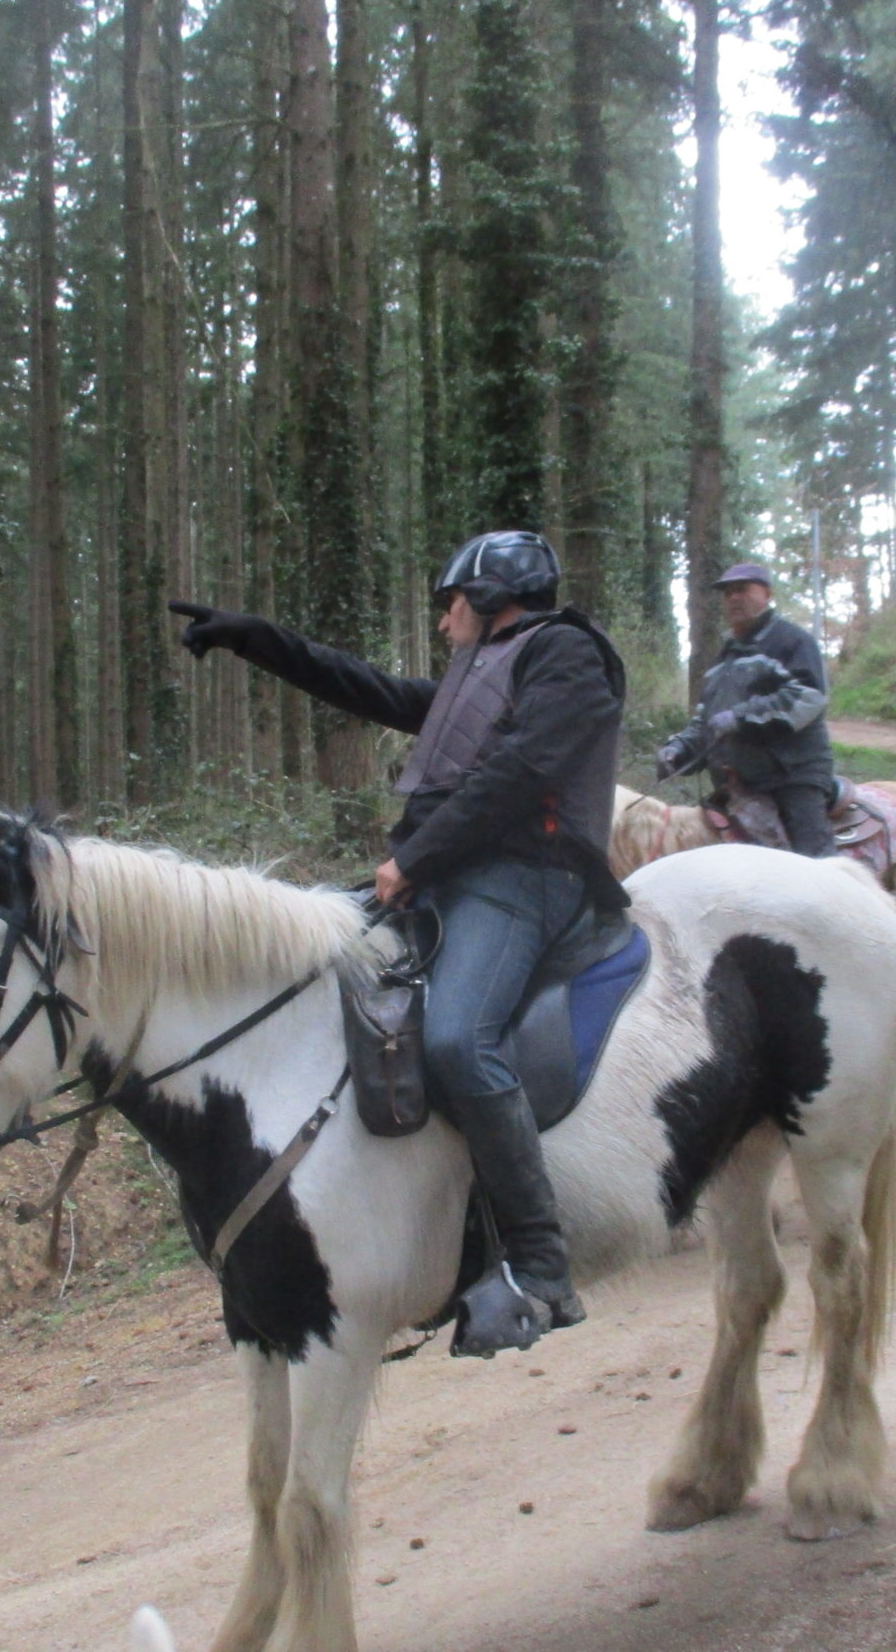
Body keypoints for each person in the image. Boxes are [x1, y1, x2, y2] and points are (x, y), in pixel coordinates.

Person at [168, 531, 625, 1356]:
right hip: (456, 874)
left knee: (456, 1038)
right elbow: (371, 689)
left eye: (451, 603)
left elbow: (520, 772)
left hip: (530, 877)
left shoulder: (565, 658)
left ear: (490, 597)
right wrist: (255, 637)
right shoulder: (477, 674)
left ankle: (539, 1265)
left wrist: (415, 856)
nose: (445, 622)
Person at [655, 561, 838, 856]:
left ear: (766, 593)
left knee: (814, 861)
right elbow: (707, 721)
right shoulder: (724, 658)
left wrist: (741, 717)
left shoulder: (791, 640)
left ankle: (839, 897)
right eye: (728, 593)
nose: (733, 598)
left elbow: (809, 696)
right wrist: (678, 751)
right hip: (737, 786)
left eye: (742, 590)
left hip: (791, 777)